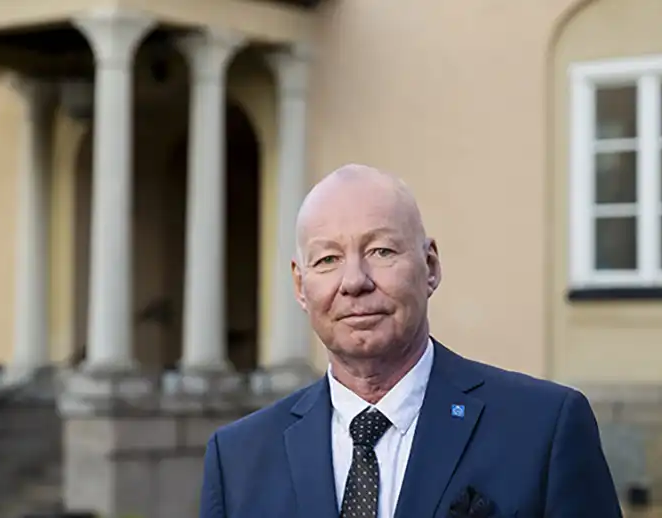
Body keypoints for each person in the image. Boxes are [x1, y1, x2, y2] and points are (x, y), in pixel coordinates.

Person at [198, 164, 622, 518]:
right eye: (327, 259)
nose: (354, 282)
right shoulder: (237, 460)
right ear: (300, 285)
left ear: (430, 266)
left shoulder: (543, 430)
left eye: (381, 251)